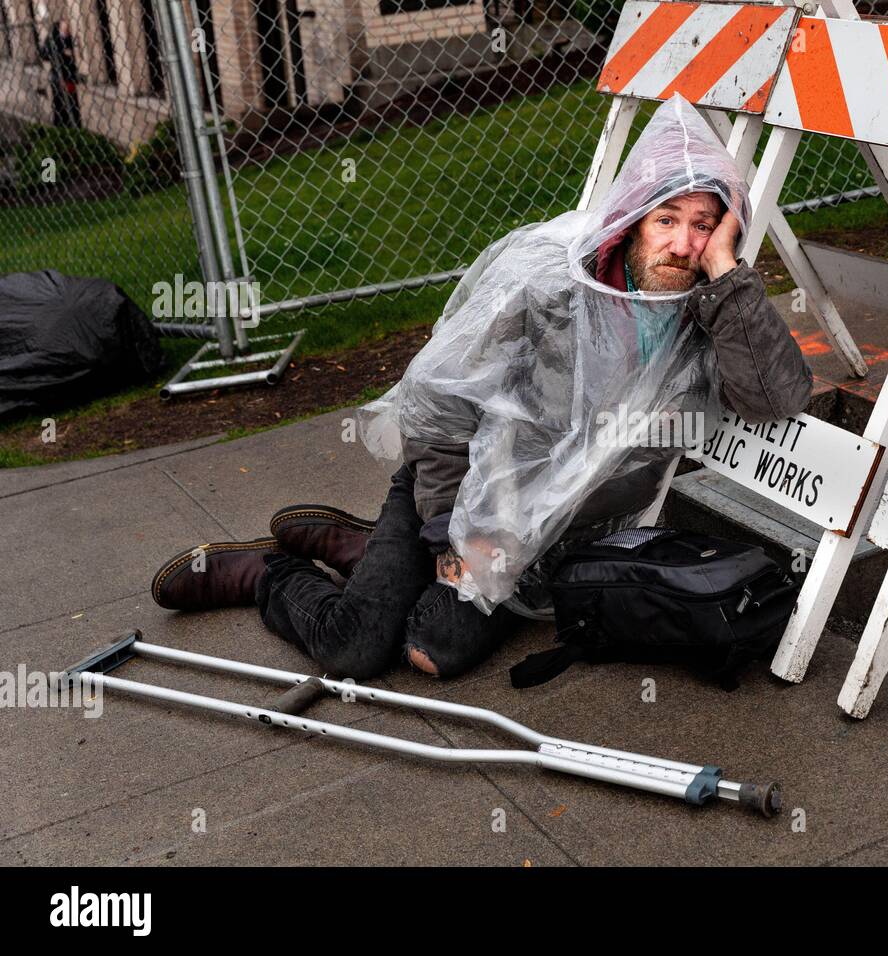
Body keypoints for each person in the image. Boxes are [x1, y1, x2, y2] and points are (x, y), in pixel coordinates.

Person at [150, 94, 815, 681]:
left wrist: (727, 274)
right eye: (666, 218)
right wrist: (448, 537)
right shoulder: (552, 283)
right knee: (353, 648)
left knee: (431, 651)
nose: (682, 243)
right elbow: (437, 402)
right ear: (631, 220)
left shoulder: (715, 310)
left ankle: (367, 553)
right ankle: (272, 574)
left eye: (705, 225)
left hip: (549, 533)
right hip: (458, 491)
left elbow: (775, 398)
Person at [40, 19, 82, 129]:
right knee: (60, 103)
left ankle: (74, 125)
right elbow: (45, 55)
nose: (67, 31)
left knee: (72, 102)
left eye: (67, 29)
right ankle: (61, 126)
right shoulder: (52, 40)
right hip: (58, 76)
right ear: (60, 29)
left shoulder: (69, 39)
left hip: (69, 75)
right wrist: (62, 52)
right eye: (65, 29)